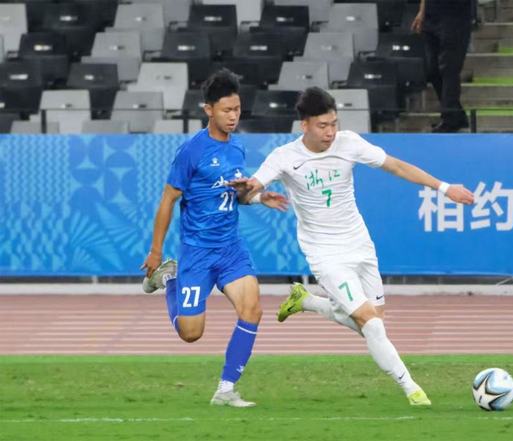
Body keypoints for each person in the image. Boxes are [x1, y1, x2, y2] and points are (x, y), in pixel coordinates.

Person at [230, 87, 475, 405]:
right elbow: (248, 191)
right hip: (324, 253)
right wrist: (250, 191)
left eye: (334, 123)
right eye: (322, 125)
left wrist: (444, 188)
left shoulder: (349, 143)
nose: (330, 132)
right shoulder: (284, 157)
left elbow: (396, 166)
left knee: (373, 321)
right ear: (304, 125)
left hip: (359, 244)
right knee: (370, 324)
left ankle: (308, 302)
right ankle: (412, 388)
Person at [141, 69, 288, 408]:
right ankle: (170, 278)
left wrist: (258, 197)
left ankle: (226, 389)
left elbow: (235, 195)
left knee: (252, 309)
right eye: (227, 110)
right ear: (209, 110)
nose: (234, 116)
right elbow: (168, 200)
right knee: (191, 333)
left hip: (231, 248)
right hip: (197, 252)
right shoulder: (191, 151)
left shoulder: (237, 147)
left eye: (237, 109)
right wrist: (155, 251)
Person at [412, 0, 473, 133]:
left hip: (455, 17)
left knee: (449, 68)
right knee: (432, 70)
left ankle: (450, 118)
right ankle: (457, 115)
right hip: (431, 16)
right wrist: (422, 11)